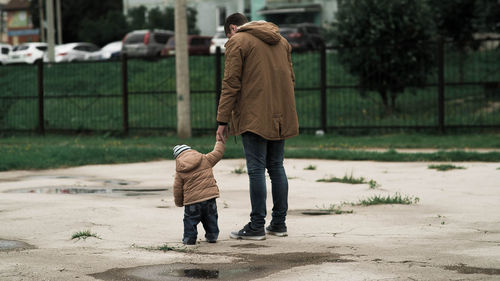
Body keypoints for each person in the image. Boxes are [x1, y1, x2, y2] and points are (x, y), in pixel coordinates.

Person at [216, 13, 299, 240]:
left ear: (232, 27)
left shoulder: (238, 41)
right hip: (280, 115)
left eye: (227, 35)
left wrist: (222, 120)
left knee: (256, 169)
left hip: (254, 115)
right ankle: (279, 224)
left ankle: (256, 226)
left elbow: (231, 83)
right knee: (276, 167)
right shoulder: (281, 41)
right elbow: (290, 78)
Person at [172, 141, 225, 245]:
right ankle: (212, 235)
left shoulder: (180, 171)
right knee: (211, 217)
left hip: (192, 201)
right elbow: (218, 152)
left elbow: (177, 188)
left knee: (190, 220)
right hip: (209, 197)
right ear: (191, 151)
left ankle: (189, 239)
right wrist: (220, 141)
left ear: (178, 158)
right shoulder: (205, 159)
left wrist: (179, 202)